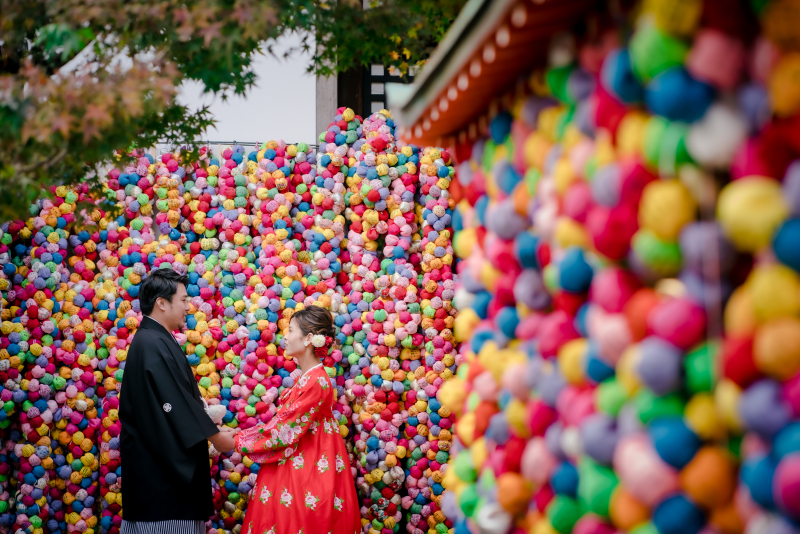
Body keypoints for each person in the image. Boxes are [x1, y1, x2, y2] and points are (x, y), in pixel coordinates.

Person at [120, 269, 237, 534]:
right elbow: (173, 400)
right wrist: (216, 438)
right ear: (162, 302)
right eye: (183, 300)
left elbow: (176, 399)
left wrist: (211, 427)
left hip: (159, 469)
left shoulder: (155, 338)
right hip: (162, 478)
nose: (189, 306)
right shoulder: (151, 342)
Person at [234, 306, 361, 534]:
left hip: (309, 460)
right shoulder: (309, 378)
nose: (285, 336)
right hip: (304, 455)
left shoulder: (315, 381)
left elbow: (285, 428)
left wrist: (239, 440)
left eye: (290, 330)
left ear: (309, 339)